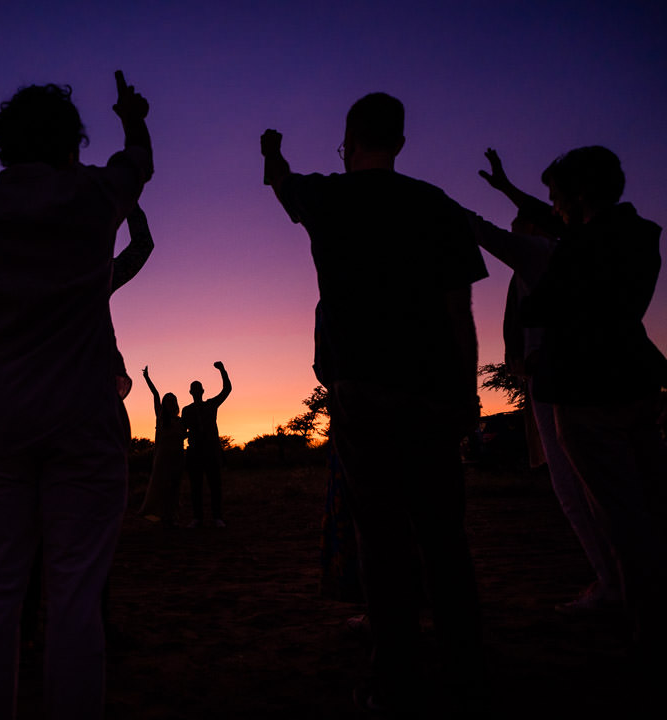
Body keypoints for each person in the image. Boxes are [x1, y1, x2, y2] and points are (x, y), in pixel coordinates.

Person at [0, 74, 152, 719]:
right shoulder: (93, 195)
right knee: (77, 591)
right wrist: (132, 116)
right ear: (70, 143)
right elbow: (140, 162)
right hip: (83, 413)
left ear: (3, 148)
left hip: (3, 415)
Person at [261, 92, 489, 715]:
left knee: (382, 538)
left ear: (349, 137)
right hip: (433, 393)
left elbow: (281, 187)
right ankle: (466, 671)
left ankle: (395, 681)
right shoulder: (437, 205)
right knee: (444, 535)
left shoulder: (327, 197)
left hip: (363, 392)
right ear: (401, 141)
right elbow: (458, 314)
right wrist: (466, 395)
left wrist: (273, 152)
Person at [479, 145, 667, 655]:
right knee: (655, 504)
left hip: (585, 391)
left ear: (580, 195)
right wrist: (506, 188)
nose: (553, 209)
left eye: (557, 199)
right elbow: (557, 223)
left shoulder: (578, 251)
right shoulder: (636, 236)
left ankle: (644, 626)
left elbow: (544, 305)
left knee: (618, 514)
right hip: (633, 384)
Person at [475, 152, 622, 612]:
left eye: (552, 201)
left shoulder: (541, 254)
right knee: (589, 485)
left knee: (575, 488)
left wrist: (437, 204)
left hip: (557, 381)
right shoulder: (567, 252)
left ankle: (615, 584)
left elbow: (487, 232)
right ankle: (618, 580)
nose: (521, 221)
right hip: (559, 379)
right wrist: (505, 186)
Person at [181, 361, 231, 528]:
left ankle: (217, 517)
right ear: (190, 392)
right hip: (195, 452)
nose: (196, 391)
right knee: (196, 487)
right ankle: (197, 518)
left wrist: (223, 371)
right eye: (193, 389)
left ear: (202, 391)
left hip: (211, 452)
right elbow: (182, 431)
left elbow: (227, 390)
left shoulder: (211, 404)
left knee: (215, 485)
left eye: (198, 388)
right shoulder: (186, 410)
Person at [139, 366, 184, 526]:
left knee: (175, 487)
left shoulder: (180, 421)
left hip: (177, 457)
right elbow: (155, 394)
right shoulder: (160, 417)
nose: (170, 404)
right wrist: (147, 378)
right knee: (162, 486)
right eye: (168, 401)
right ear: (164, 404)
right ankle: (162, 516)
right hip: (163, 458)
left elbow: (183, 436)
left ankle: (172, 516)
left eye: (172, 401)